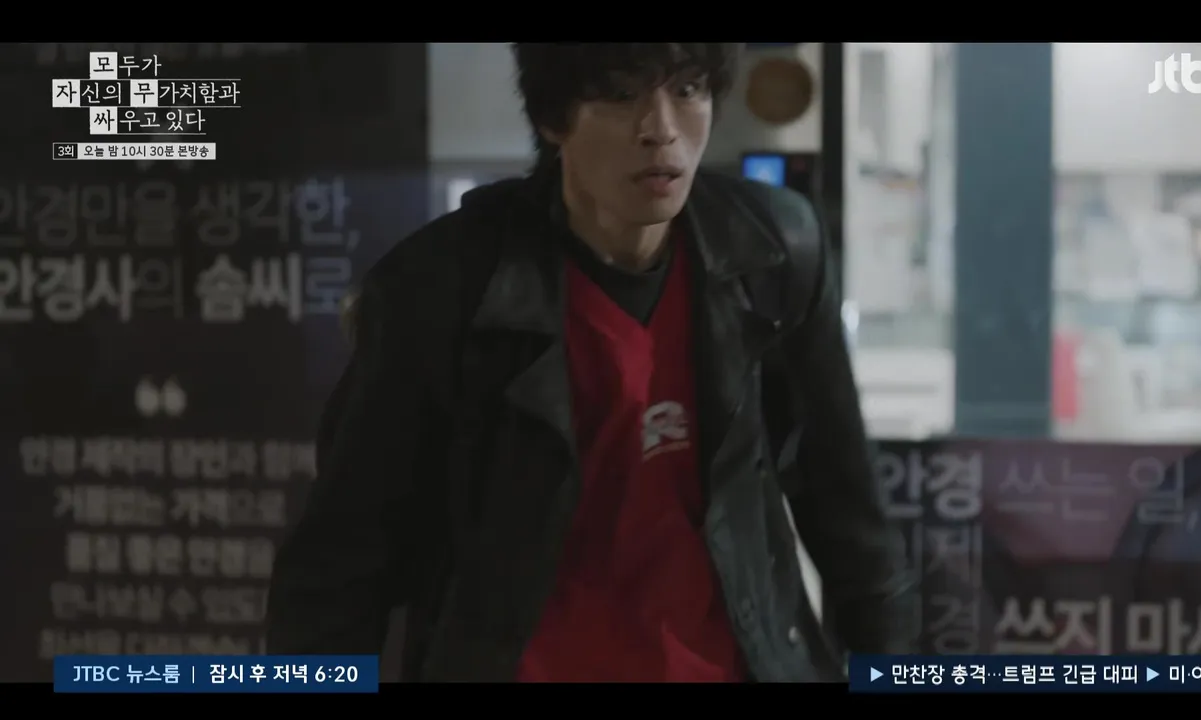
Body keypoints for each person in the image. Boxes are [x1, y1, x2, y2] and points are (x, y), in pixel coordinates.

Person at [266, 42, 915, 682]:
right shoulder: (443, 291)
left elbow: (846, 508)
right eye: (621, 95)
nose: (661, 129)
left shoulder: (773, 253)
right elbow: (340, 567)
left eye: (687, 90)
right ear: (554, 119)